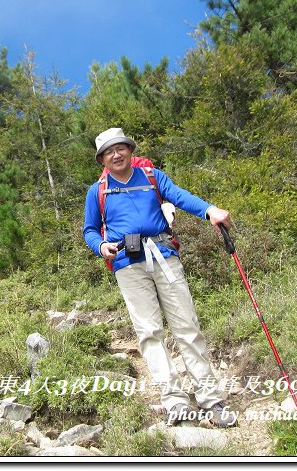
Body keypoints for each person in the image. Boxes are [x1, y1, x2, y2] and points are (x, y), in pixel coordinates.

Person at [83, 127, 238, 428]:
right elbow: (89, 229)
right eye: (109, 152)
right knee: (149, 333)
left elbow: (179, 196)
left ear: (129, 150)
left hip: (164, 255)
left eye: (121, 148)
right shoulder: (97, 191)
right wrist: (102, 246)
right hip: (127, 264)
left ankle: (211, 399)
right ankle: (175, 402)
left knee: (187, 326)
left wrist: (210, 210)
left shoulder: (151, 176)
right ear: (102, 159)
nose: (117, 155)